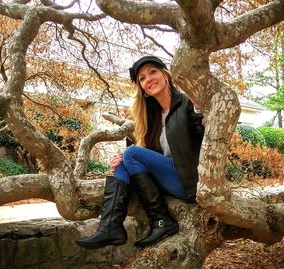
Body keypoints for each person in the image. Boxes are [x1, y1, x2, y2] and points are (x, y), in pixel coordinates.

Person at [75, 55, 204, 249]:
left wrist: (199, 108)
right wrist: (125, 159)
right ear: (142, 88)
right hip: (169, 178)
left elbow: (202, 134)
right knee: (124, 161)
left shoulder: (187, 103)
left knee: (132, 153)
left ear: (165, 74)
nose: (148, 79)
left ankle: (160, 221)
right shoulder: (152, 117)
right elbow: (148, 157)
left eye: (153, 71)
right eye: (142, 78)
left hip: (190, 182)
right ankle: (110, 227)